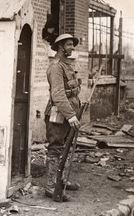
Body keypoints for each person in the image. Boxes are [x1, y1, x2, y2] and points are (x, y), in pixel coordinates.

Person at [44, 33, 82, 201]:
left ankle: (61, 180)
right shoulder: (56, 66)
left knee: (65, 146)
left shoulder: (67, 65)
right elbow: (58, 95)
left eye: (72, 45)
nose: (72, 48)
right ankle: (51, 186)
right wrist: (71, 115)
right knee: (55, 148)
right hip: (58, 114)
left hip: (69, 112)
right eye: (68, 45)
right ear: (60, 46)